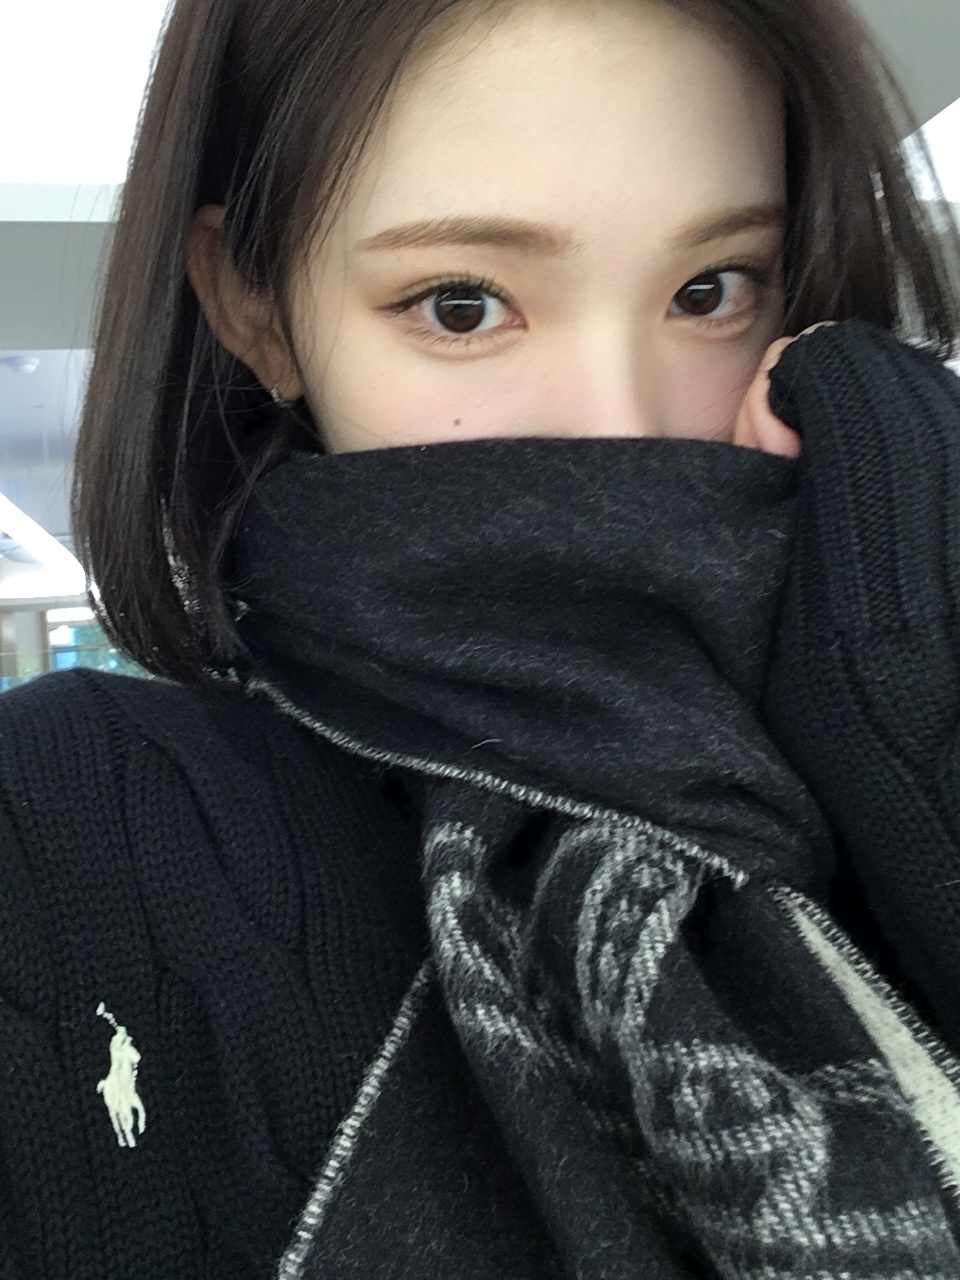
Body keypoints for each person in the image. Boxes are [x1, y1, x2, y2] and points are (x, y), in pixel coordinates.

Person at [3, 0, 960, 1276]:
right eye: (462, 304)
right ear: (256, 308)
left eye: (708, 290)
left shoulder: (904, 711)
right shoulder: (64, 829)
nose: (619, 432)